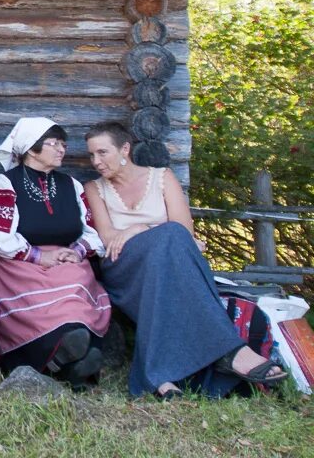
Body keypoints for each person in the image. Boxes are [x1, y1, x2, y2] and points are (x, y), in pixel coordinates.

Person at [83, 121, 287, 398]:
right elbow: (108, 240)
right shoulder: (95, 189)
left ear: (125, 149)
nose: (96, 161)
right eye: (91, 155)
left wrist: (137, 230)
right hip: (124, 269)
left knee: (171, 242)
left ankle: (158, 378)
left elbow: (184, 231)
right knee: (169, 237)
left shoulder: (162, 177)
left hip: (166, 265)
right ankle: (230, 350)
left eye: (102, 152)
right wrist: (141, 230)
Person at [0, 117, 110, 389]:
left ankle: (71, 358)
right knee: (43, 293)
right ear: (31, 149)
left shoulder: (70, 185)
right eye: (54, 144)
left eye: (63, 144)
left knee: (74, 281)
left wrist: (76, 251)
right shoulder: (3, 184)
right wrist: (39, 257)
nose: (62, 149)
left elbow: (91, 231)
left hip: (65, 258)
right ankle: (72, 362)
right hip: (15, 262)